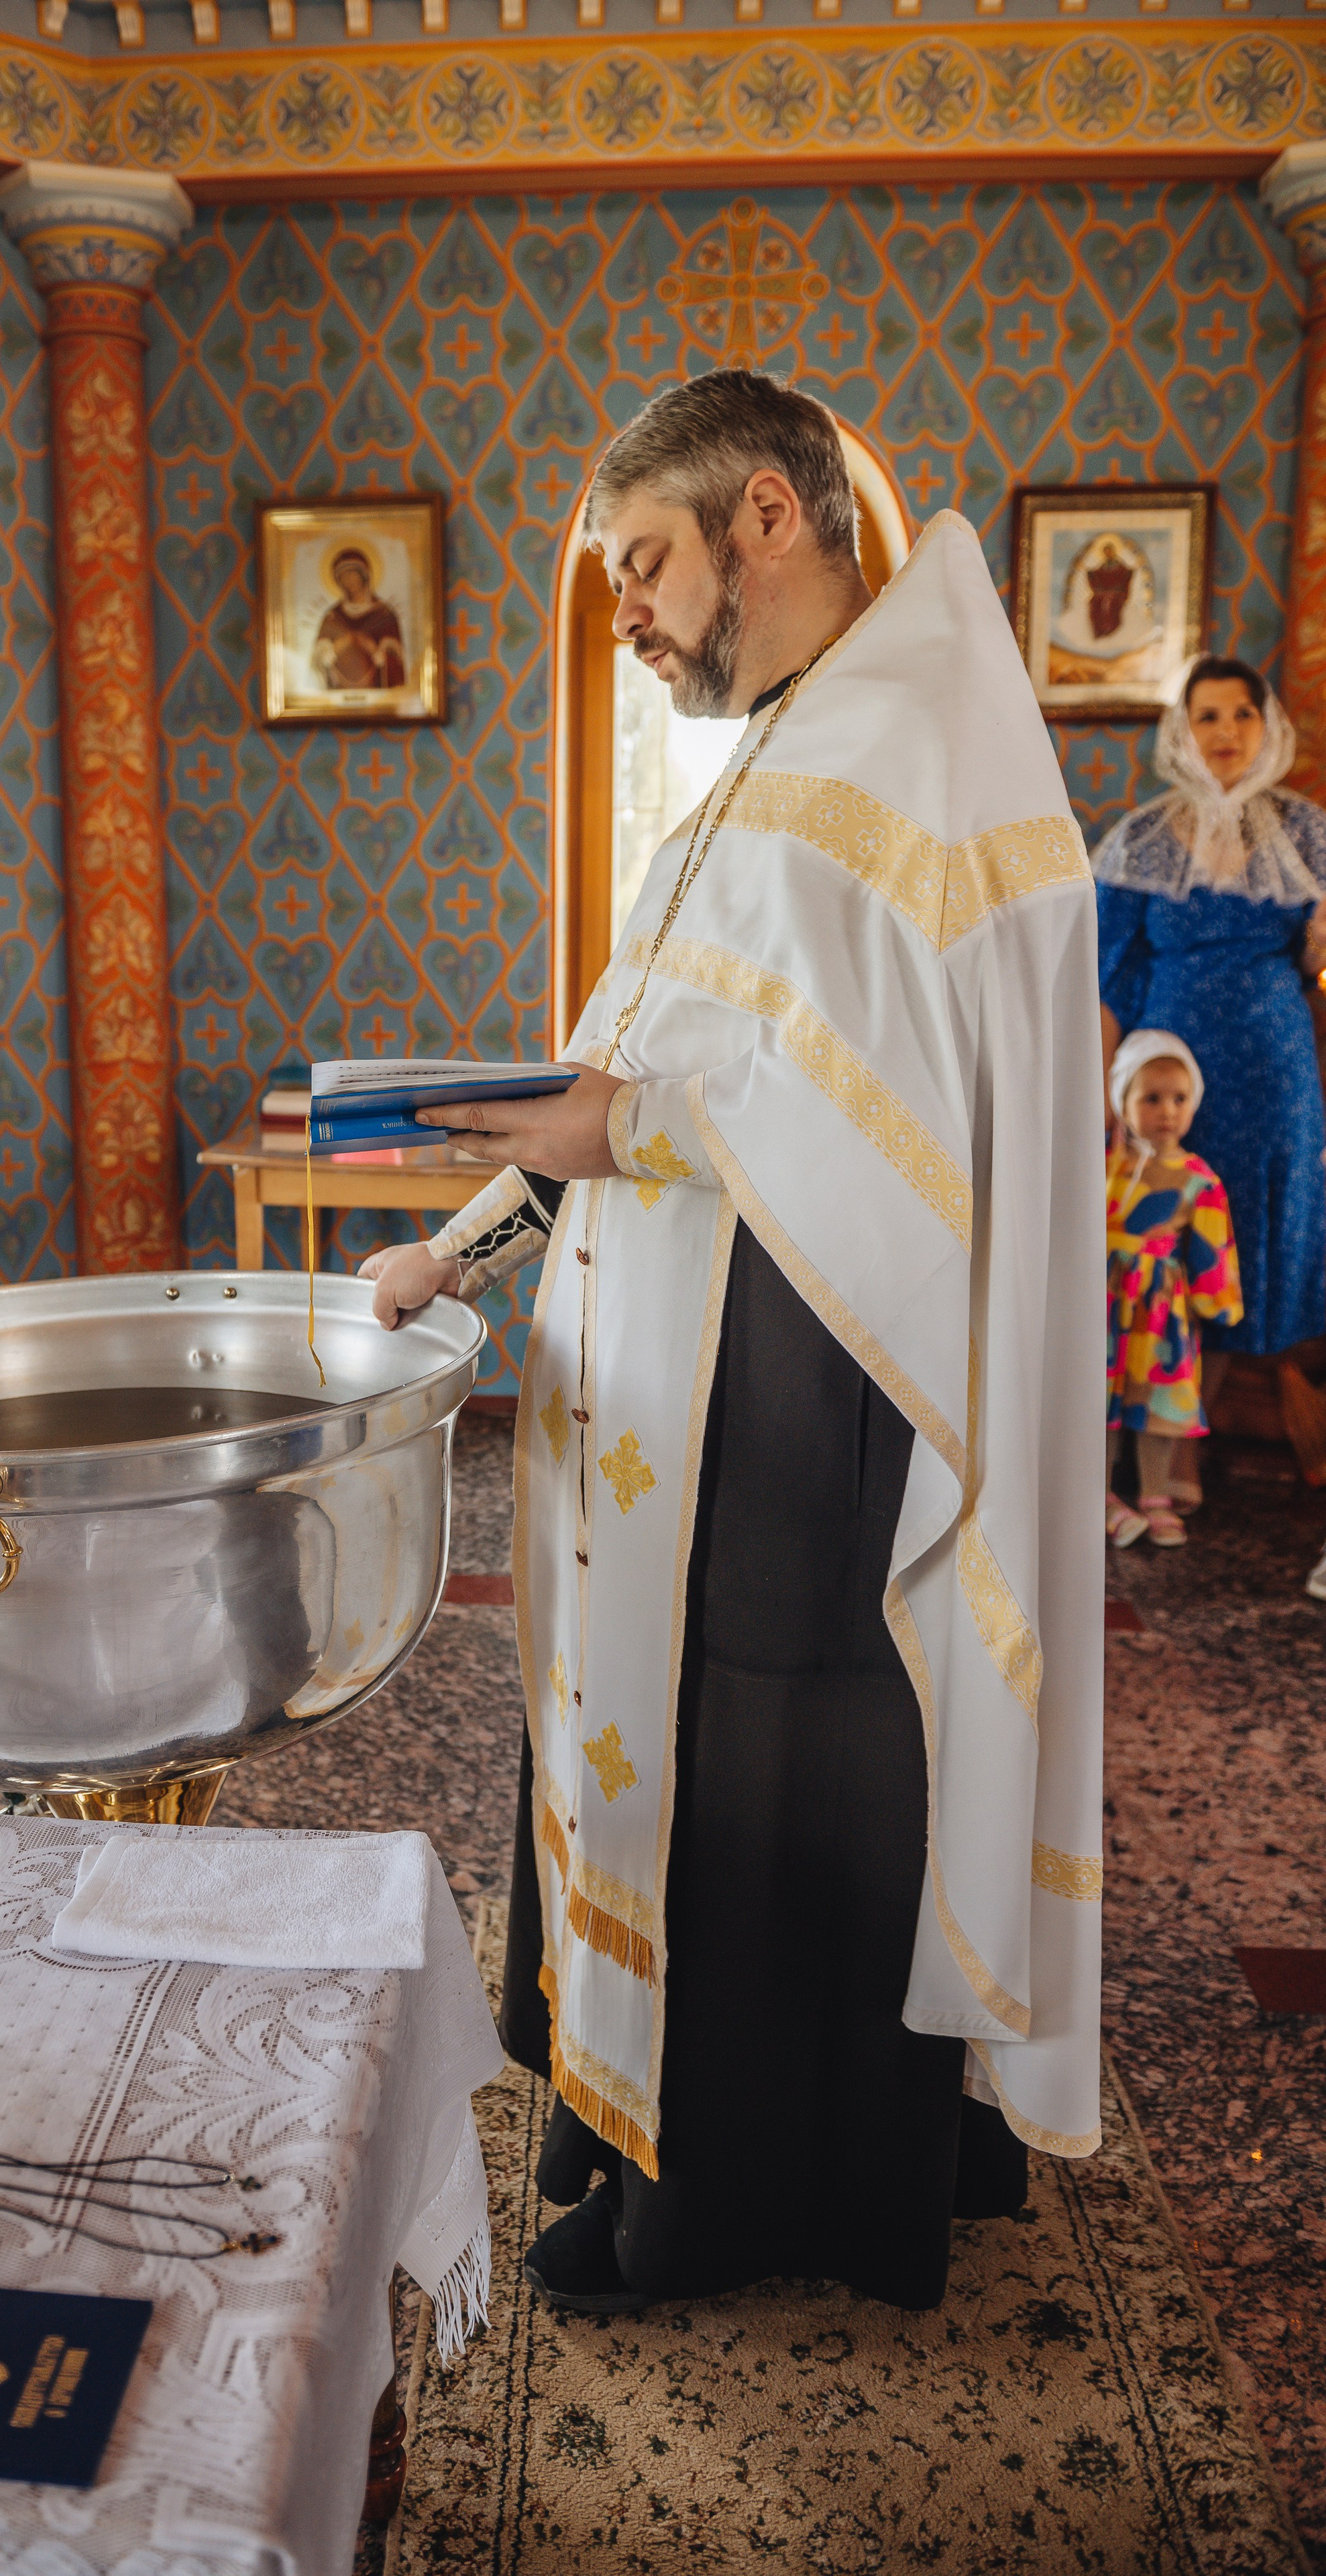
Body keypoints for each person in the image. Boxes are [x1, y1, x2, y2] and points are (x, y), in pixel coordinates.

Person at [358, 370, 1103, 2317]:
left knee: (772, 1773)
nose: (624, 608)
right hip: (690, 1399)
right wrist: (457, 1247)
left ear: (769, 516)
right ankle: (695, 2137)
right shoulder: (780, 755)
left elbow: (884, 1121)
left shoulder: (917, 743)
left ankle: (752, 2206)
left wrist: (621, 1133)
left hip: (818, 1392)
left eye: (645, 562)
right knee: (680, 1763)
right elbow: (646, 1069)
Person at [1094, 657, 1326, 1517]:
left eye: (1242, 714)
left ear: (1268, 728)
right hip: (1159, 1078)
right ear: (1181, 732)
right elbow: (1106, 979)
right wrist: (1102, 1096)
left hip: (1273, 1079)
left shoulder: (1306, 834)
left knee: (1238, 1253)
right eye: (1207, 716)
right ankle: (1135, 1446)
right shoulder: (1141, 838)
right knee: (1149, 1251)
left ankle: (1186, 1439)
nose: (1226, 731)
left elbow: (1316, 969)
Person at [1104, 1031, 1242, 1552]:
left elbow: (1212, 1246)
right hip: (1107, 1304)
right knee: (1103, 1403)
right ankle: (1101, 1495)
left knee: (1157, 1404)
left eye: (1180, 1098)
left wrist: (1217, 1303)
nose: (1167, 1111)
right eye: (1151, 1098)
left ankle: (1155, 1494)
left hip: (1159, 1314)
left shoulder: (1198, 1179)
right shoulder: (1105, 1167)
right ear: (1124, 1101)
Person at [311, 545, 405, 692]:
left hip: (378, 695)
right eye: (342, 576)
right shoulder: (333, 617)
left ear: (364, 575)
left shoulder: (384, 614)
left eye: (352, 573)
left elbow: (395, 663)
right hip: (338, 694)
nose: (348, 580)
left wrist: (373, 649)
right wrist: (341, 645)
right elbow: (318, 663)